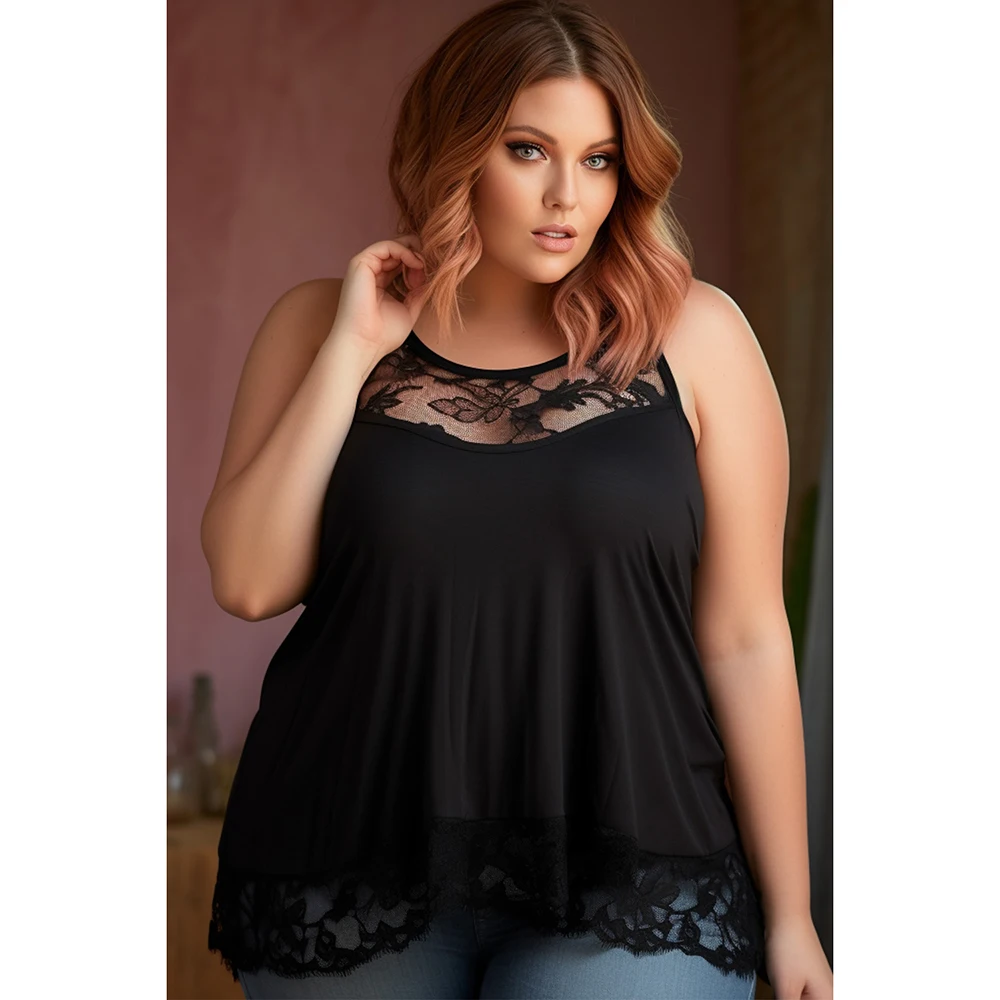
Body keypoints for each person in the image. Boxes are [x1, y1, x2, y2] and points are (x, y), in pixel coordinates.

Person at [201, 1, 834, 997]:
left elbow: (747, 638)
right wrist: (353, 351)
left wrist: (792, 916)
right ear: (457, 150)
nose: (566, 195)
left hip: (636, 861)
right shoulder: (320, 325)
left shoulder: (698, 337)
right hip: (348, 850)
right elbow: (248, 581)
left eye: (598, 159)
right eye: (528, 149)